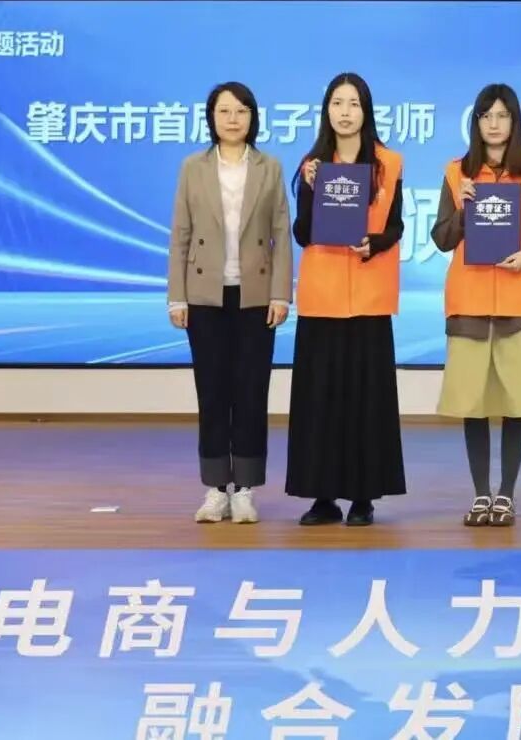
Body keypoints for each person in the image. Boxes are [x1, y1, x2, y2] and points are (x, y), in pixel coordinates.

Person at [431, 83, 521, 528]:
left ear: (515, 121)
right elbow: (442, 237)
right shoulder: (457, 173)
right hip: (469, 301)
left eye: (503, 115)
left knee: (516, 402)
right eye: (486, 116)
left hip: (519, 301)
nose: (494, 124)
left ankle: (506, 495)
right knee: (474, 403)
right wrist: (463, 209)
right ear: (476, 122)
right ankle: (481, 494)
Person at [168, 81, 292, 524]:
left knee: (252, 392)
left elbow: (280, 234)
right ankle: (216, 488)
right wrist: (176, 297)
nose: (233, 118)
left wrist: (281, 293)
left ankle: (246, 489)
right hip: (205, 295)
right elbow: (180, 234)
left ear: (253, 117)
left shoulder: (269, 167)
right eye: (224, 111)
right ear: (212, 118)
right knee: (213, 392)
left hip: (256, 296)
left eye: (241, 111)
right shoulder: (193, 167)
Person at [287, 72, 406, 527]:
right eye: (337, 103)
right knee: (320, 401)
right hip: (322, 297)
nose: (345, 112)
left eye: (353, 103)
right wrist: (311, 188)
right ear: (327, 111)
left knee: (366, 401)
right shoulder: (313, 165)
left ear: (366, 111)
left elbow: (396, 226)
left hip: (370, 297)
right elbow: (302, 233)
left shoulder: (389, 163)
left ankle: (363, 497)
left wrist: (374, 243)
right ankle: (323, 497)